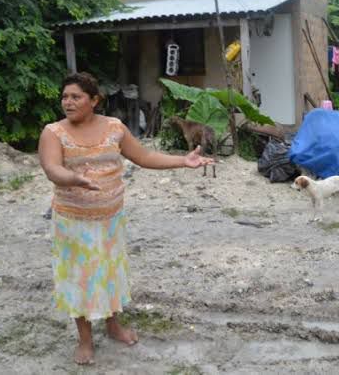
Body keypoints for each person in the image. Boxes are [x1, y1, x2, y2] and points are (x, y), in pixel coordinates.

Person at [38, 72, 214, 365]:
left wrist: (182, 161)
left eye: (76, 97)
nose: (68, 102)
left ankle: (113, 325)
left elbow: (144, 157)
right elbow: (51, 168)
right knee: (78, 278)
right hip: (72, 221)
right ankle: (85, 339)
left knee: (109, 273)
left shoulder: (114, 128)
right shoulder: (53, 132)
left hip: (110, 219)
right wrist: (73, 178)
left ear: (94, 100)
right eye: (65, 97)